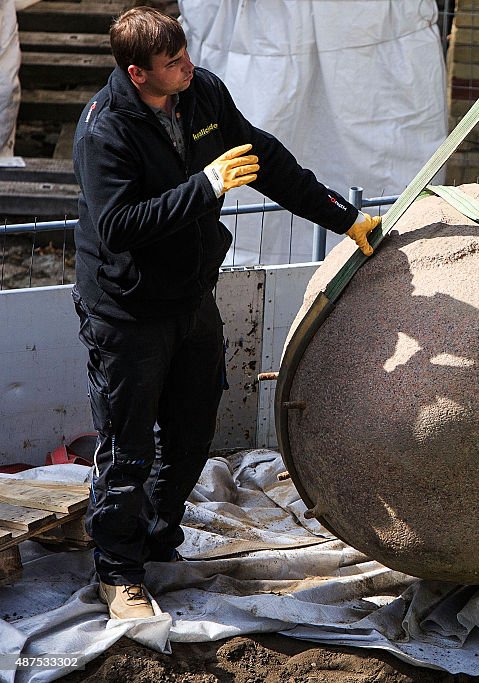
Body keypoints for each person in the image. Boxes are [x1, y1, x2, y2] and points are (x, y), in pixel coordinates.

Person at [72, 6, 379, 620]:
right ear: (138, 73)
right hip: (127, 309)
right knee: (127, 446)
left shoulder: (201, 92)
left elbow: (260, 156)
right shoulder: (105, 131)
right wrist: (205, 187)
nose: (188, 66)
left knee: (191, 437)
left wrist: (344, 218)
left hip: (191, 296)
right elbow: (119, 226)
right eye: (172, 63)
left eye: (186, 54)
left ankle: (157, 543)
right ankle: (119, 574)